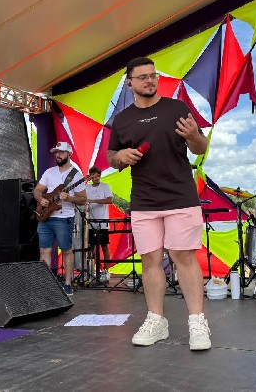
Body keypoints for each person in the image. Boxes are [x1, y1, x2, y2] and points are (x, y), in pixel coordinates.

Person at [107, 57, 211, 351]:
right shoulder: (122, 120)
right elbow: (112, 157)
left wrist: (193, 136)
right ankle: (157, 321)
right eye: (142, 77)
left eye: (153, 75)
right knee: (150, 260)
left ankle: (197, 322)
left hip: (180, 196)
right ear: (130, 83)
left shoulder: (177, 108)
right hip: (144, 201)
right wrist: (120, 157)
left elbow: (200, 147)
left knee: (183, 256)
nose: (149, 80)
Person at [33, 141, 87, 296]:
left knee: (66, 251)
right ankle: (45, 285)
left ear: (69, 154)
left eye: (61, 152)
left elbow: (83, 199)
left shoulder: (76, 175)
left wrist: (69, 198)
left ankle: (68, 284)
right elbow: (37, 190)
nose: (58, 155)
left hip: (64, 218)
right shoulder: (49, 172)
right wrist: (41, 199)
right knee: (44, 250)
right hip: (45, 217)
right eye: (56, 152)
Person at [85, 166, 114, 281]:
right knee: (90, 247)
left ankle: (106, 271)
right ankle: (91, 271)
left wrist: (93, 201)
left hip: (102, 222)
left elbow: (110, 200)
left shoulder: (105, 186)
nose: (97, 178)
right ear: (91, 177)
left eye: (98, 176)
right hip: (90, 222)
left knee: (104, 246)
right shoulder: (86, 187)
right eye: (94, 176)